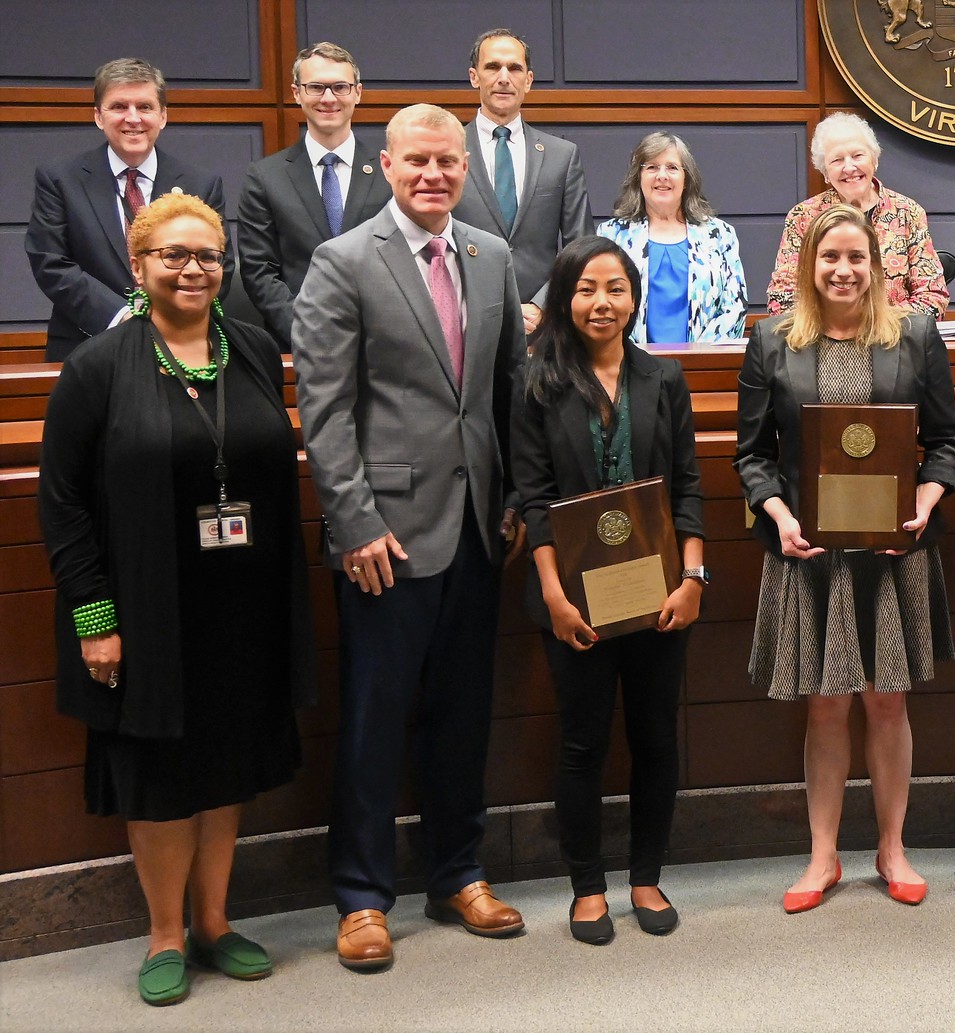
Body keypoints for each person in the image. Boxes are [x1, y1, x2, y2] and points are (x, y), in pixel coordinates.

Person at [38, 194, 315, 1005]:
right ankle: (164, 933)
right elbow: (61, 503)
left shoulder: (254, 349)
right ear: (140, 265)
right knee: (161, 772)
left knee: (225, 762)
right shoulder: (100, 364)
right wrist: (97, 621)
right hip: (148, 609)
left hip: (242, 605)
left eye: (208, 255)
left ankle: (215, 920)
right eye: (175, 255)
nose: (194, 269)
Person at [293, 103, 528, 972]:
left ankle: (457, 871)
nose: (433, 175)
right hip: (384, 535)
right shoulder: (343, 261)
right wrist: (352, 520)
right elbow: (325, 407)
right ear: (384, 166)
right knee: (374, 718)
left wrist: (516, 498)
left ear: (464, 166)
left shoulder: (491, 255)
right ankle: (361, 896)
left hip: (477, 528)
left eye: (447, 162)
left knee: (463, 714)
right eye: (416, 162)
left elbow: (509, 392)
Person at [736, 204, 955, 914]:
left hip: (894, 545)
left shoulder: (916, 335)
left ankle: (892, 847)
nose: (843, 270)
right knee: (827, 703)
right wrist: (779, 514)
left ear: (877, 265)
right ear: (809, 265)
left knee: (887, 699)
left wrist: (925, 504)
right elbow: (752, 455)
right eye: (829, 257)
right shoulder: (772, 341)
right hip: (810, 548)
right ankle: (823, 854)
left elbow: (946, 441)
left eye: (856, 258)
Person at [511, 236, 708, 945]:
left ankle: (647, 874)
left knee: (656, 737)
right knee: (583, 742)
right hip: (574, 599)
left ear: (634, 298)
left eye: (617, 288)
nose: (603, 302)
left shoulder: (665, 378)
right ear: (566, 298)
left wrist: (692, 578)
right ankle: (587, 885)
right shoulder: (537, 382)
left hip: (660, 596)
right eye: (588, 288)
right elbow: (533, 498)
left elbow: (688, 485)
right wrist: (555, 597)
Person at [26, 58, 231, 362]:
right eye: (119, 106)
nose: (133, 118)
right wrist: (123, 316)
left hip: (179, 349)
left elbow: (217, 265)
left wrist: (164, 319)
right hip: (87, 348)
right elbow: (51, 263)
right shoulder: (60, 179)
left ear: (162, 116)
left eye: (145, 107)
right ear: (98, 116)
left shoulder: (201, 184)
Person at [237, 42, 393, 350]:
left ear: (357, 93)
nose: (328, 98)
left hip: (382, 345)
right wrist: (306, 332)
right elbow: (259, 270)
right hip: (298, 346)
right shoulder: (265, 177)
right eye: (316, 87)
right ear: (297, 94)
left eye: (340, 87)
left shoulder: (390, 172)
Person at [449, 28, 592, 331]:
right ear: (474, 76)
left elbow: (580, 247)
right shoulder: (447, 152)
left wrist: (544, 305)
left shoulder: (561, 156)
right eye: (492, 67)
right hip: (464, 323)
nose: (504, 77)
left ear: (528, 80)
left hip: (542, 331)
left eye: (514, 68)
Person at [766, 112, 948, 319]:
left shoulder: (908, 213)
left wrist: (876, 324)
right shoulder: (803, 217)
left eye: (857, 155)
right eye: (837, 160)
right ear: (825, 172)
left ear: (875, 160)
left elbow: (933, 298)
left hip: (896, 342)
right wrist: (838, 328)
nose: (849, 167)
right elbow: (781, 299)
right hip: (822, 342)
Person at [592, 131, 749, 344]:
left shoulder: (720, 235)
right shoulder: (611, 236)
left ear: (686, 179)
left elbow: (735, 307)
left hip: (703, 366)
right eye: (652, 167)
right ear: (638, 178)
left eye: (672, 168)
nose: (662, 176)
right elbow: (603, 305)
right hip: (630, 365)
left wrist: (697, 356)